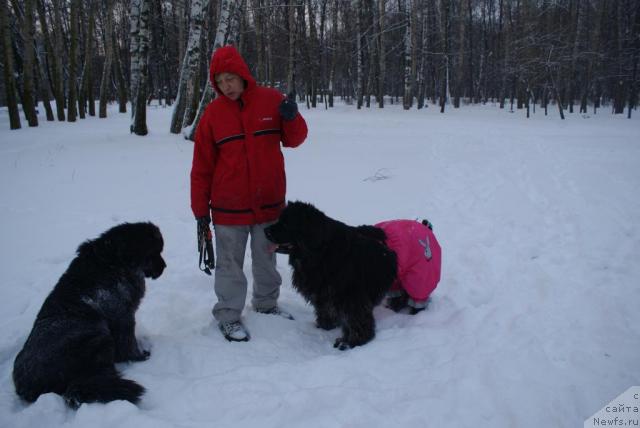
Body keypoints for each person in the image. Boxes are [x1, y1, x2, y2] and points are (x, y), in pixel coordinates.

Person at [190, 45, 308, 342]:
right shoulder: (213, 115)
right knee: (229, 263)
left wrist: (292, 117)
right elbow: (201, 166)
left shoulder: (271, 101)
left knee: (266, 258)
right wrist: (200, 211)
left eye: (231, 78)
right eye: (220, 81)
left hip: (269, 203)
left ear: (243, 74)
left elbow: (295, 140)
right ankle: (229, 315)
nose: (226, 86)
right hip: (229, 207)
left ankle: (266, 305)